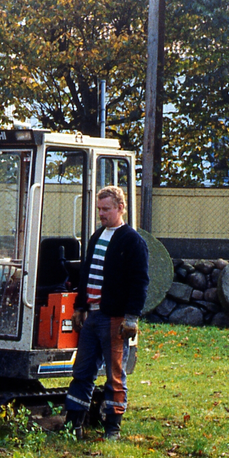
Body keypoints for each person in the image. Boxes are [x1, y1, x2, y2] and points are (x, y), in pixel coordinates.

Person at [65, 186, 149, 440]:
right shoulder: (96, 236)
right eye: (99, 209)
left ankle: (112, 429)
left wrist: (131, 317)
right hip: (91, 317)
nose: (101, 214)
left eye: (106, 209)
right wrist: (80, 306)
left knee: (114, 374)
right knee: (82, 372)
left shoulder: (133, 241)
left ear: (120, 208)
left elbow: (140, 282)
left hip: (114, 318)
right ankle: (73, 426)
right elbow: (86, 274)